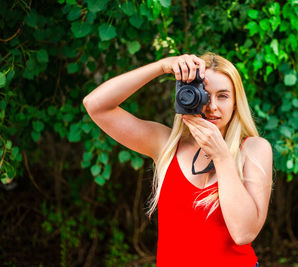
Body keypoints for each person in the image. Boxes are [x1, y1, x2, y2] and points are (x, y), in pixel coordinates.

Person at [83, 53, 273, 267]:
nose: (212, 106)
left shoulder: (254, 149)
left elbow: (243, 233)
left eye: (223, 96)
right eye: (203, 94)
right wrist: (162, 66)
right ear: (186, 96)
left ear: (236, 103)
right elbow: (95, 105)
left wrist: (222, 157)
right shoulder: (166, 145)